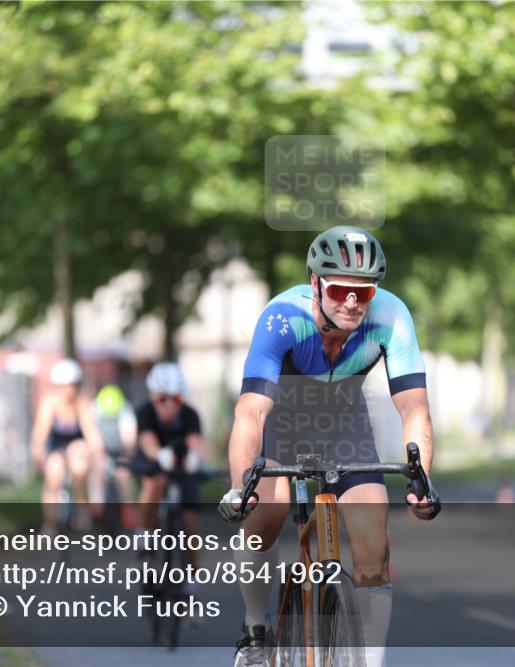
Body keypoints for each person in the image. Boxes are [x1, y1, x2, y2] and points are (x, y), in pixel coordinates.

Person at [217, 226, 441, 667]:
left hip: (344, 425)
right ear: (315, 283)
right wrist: (240, 486)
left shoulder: (392, 318)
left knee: (374, 538)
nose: (353, 302)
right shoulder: (282, 317)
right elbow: (251, 413)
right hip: (283, 421)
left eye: (365, 292)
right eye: (340, 289)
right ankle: (255, 628)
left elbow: (415, 410)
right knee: (265, 509)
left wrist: (421, 480)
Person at [132, 362, 205, 569]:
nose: (170, 405)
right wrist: (158, 454)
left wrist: (193, 456)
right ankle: (144, 533)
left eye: (176, 399)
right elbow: (147, 440)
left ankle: (190, 579)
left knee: (190, 524)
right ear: (154, 397)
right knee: (153, 484)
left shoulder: (190, 414)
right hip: (154, 462)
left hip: (183, 466)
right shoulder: (145, 412)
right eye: (163, 399)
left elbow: (195, 441)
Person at [29, 358, 104, 533]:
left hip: (77, 450)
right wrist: (37, 451)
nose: (68, 390)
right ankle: (50, 523)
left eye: (72, 385)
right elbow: (41, 431)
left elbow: (91, 433)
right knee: (54, 474)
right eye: (64, 385)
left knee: (79, 459)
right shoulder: (49, 402)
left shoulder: (82, 402)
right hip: (55, 449)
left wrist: (99, 452)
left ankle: (81, 508)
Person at [94, 384, 139, 531]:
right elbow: (92, 433)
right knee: (98, 469)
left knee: (124, 474)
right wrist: (99, 451)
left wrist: (127, 449)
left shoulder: (125, 410)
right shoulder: (94, 409)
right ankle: (97, 502)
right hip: (101, 450)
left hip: (120, 451)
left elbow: (129, 436)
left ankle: (129, 507)